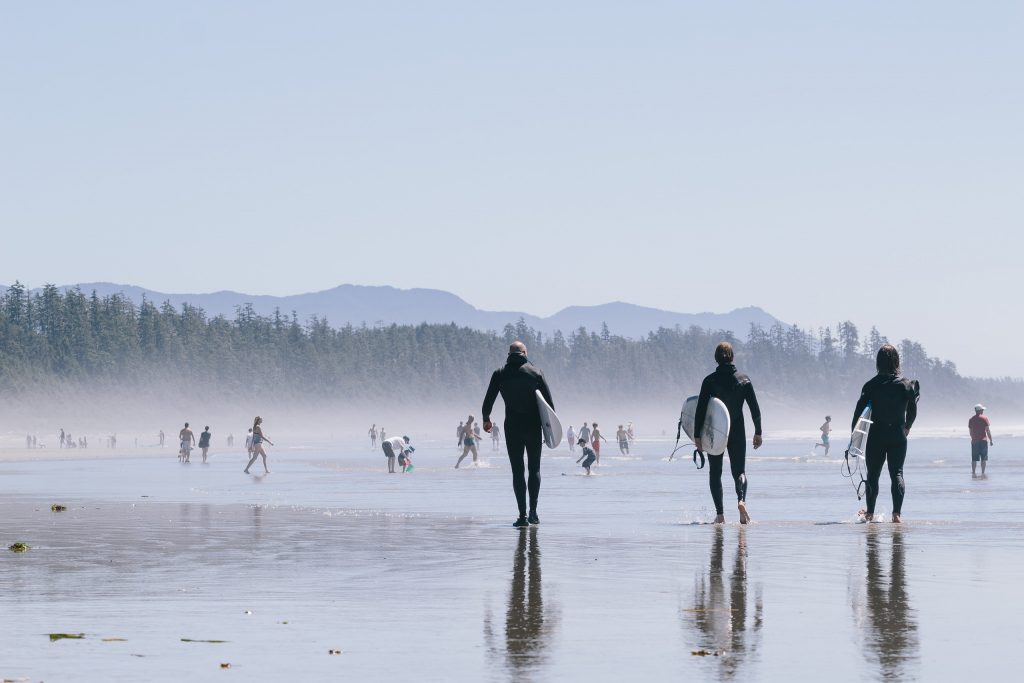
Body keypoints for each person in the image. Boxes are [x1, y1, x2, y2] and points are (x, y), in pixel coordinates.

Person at [482, 341, 556, 528]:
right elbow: (549, 406)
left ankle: (522, 516)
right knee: (534, 470)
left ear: (509, 353)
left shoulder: (500, 374)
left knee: (517, 472)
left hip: (512, 428)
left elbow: (488, 401)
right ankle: (533, 513)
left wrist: (486, 419)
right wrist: (550, 430)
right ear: (525, 352)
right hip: (533, 426)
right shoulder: (536, 372)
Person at [694, 341, 763, 525]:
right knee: (739, 471)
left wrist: (697, 435)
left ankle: (720, 515)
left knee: (715, 472)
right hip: (738, 430)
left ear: (716, 358)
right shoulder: (744, 379)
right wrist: (758, 432)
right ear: (732, 357)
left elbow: (700, 409)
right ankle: (741, 500)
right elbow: (755, 409)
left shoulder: (710, 380)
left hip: (716, 432)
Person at [851, 344, 920, 523]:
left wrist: (854, 439)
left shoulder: (871, 385)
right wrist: (907, 427)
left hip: (876, 436)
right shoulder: (905, 384)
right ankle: (896, 514)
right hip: (898, 435)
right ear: (896, 361)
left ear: (878, 362)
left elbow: (858, 413)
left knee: (873, 475)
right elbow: (913, 409)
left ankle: (870, 514)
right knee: (897, 473)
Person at [968, 404, 993, 479]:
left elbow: (970, 431)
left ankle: (974, 472)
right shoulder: (985, 418)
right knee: (983, 458)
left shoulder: (971, 419)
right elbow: (987, 430)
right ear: (979, 410)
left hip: (974, 441)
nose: (983, 411)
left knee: (974, 458)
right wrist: (991, 440)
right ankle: (982, 472)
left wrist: (973, 439)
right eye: (982, 410)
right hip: (983, 441)